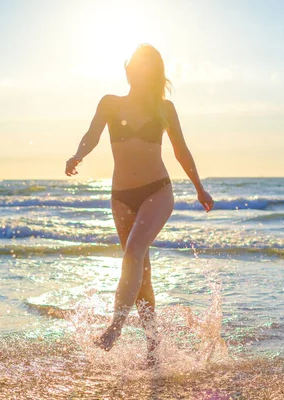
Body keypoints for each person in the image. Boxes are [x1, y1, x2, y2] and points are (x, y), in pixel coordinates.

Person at [65, 43, 214, 366]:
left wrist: (199, 188)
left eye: (148, 68)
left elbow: (181, 151)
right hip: (121, 195)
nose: (140, 71)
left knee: (132, 253)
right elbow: (91, 135)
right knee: (141, 272)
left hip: (157, 191)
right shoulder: (110, 103)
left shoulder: (164, 109)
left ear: (154, 74)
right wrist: (78, 155)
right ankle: (152, 346)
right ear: (129, 69)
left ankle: (115, 328)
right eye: (136, 65)